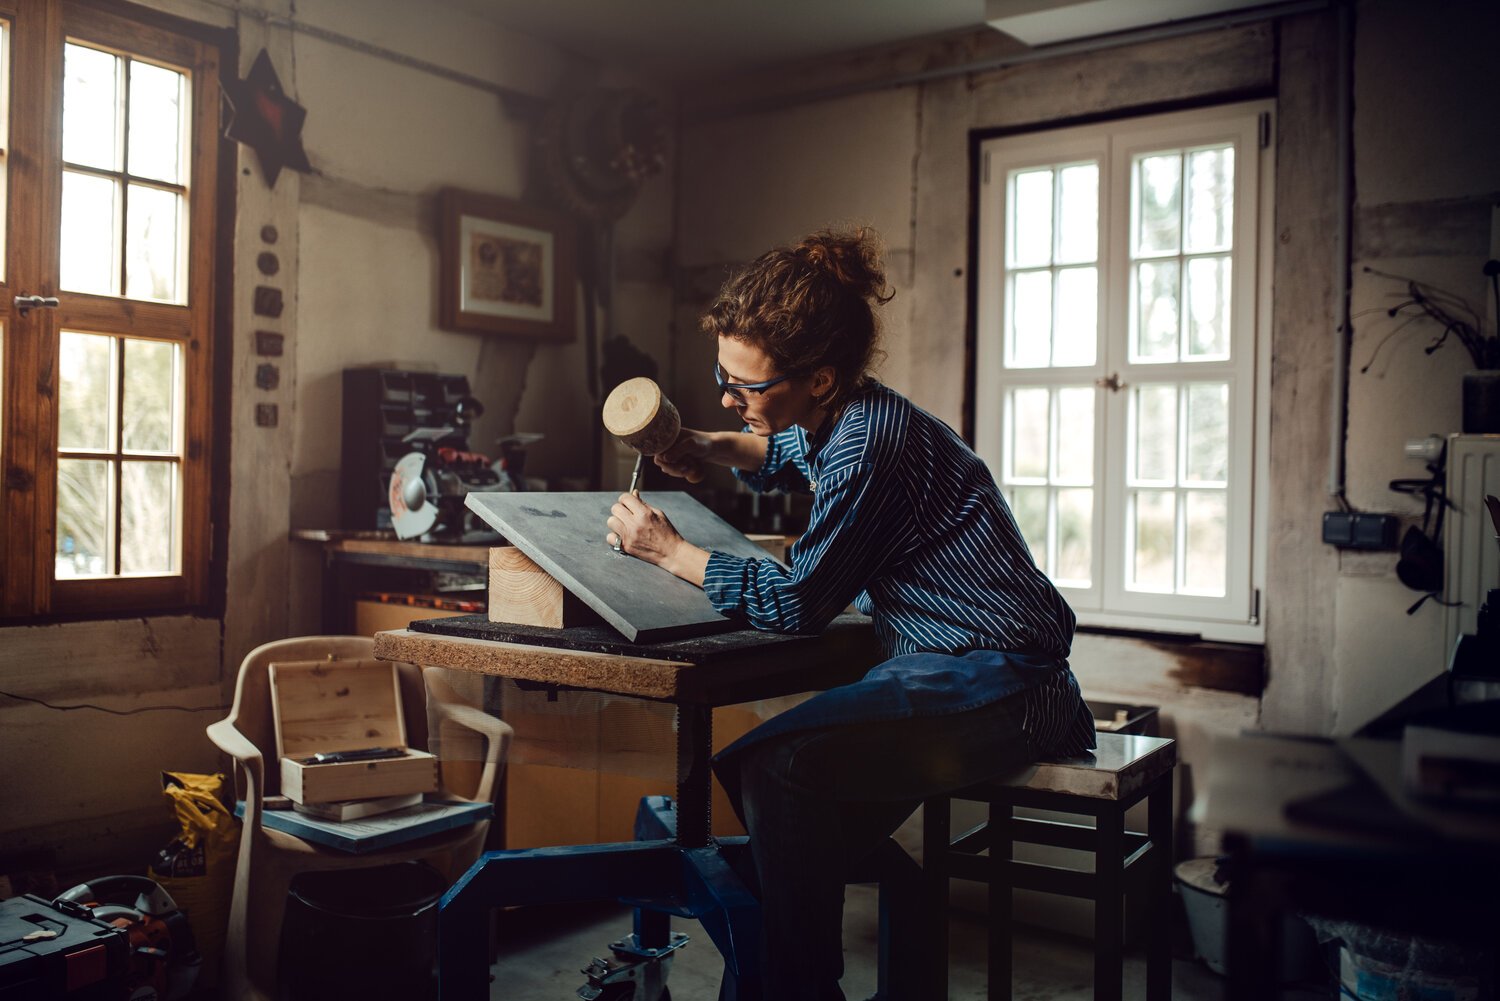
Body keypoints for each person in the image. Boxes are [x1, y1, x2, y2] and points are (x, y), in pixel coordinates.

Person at [606, 228, 1093, 1001]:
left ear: (820, 378)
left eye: (746, 387)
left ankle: (798, 986)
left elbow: (796, 602)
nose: (730, 398)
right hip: (947, 666)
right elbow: (777, 451)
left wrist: (670, 550)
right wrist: (699, 443)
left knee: (776, 771)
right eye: (722, 377)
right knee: (781, 854)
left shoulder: (869, 446)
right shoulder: (843, 418)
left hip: (1005, 683)